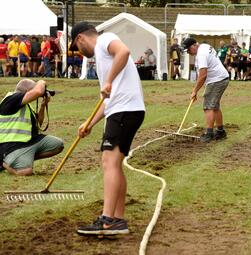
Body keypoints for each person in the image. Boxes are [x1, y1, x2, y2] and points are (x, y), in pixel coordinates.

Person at [69, 22, 145, 235]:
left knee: (108, 161)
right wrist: (89, 123)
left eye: (77, 48)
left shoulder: (104, 39)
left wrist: (109, 80)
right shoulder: (104, 58)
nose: (80, 53)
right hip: (124, 110)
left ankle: (107, 220)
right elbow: (107, 100)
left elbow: (124, 51)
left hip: (125, 110)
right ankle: (118, 219)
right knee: (115, 164)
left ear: (80, 39)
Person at [0, 79, 64, 176]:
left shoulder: (26, 106)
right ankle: (3, 163)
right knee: (26, 172)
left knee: (58, 145)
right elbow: (38, 91)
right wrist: (41, 82)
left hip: (28, 142)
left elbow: (38, 124)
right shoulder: (12, 98)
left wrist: (42, 106)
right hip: (11, 146)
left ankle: (24, 158)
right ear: (27, 92)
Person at [182, 37, 229, 143]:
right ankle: (221, 131)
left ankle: (209, 134)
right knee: (215, 106)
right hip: (221, 78)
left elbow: (203, 75)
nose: (188, 53)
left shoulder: (201, 54)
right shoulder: (204, 46)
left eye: (188, 50)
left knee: (208, 107)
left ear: (194, 45)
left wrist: (195, 91)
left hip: (216, 80)